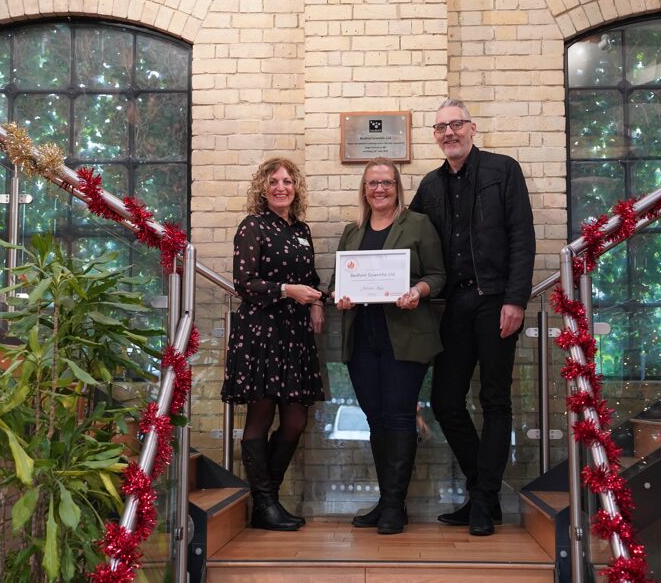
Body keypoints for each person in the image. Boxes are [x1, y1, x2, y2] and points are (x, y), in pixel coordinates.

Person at [409, 98, 536, 537]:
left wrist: (516, 300)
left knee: (495, 400)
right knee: (446, 401)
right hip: (454, 305)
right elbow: (408, 239)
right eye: (441, 127)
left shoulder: (504, 170)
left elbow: (522, 237)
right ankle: (485, 492)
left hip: (496, 300)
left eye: (456, 124)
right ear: (435, 135)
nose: (449, 132)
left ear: (472, 128)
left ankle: (482, 502)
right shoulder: (429, 185)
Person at [331, 158, 446, 535]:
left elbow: (438, 275)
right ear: (364, 190)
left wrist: (417, 291)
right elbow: (336, 282)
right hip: (362, 339)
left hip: (405, 337)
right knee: (376, 420)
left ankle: (395, 505)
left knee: (398, 417)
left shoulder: (418, 224)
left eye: (386, 182)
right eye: (372, 183)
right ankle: (386, 500)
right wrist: (339, 296)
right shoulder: (352, 231)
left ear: (397, 187)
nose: (379, 189)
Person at [222, 157, 326, 531]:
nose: (281, 187)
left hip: (295, 334)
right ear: (263, 188)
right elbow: (244, 282)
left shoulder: (302, 229)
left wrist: (317, 302)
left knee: (295, 420)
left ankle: (268, 500)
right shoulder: (253, 225)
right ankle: (266, 505)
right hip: (262, 332)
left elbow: (311, 278)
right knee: (261, 417)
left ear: (296, 187)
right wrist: (287, 290)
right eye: (273, 181)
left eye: (287, 181)